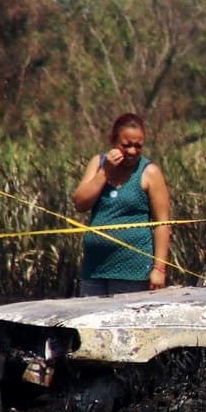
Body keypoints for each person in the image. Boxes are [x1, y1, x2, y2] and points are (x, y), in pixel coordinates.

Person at [71, 112, 172, 296]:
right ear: (112, 141)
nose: (132, 152)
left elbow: (162, 224)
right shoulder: (98, 163)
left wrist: (159, 268)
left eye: (138, 146)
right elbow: (80, 204)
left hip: (133, 270)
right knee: (91, 322)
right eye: (126, 146)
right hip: (95, 268)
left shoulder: (150, 173)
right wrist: (105, 172)